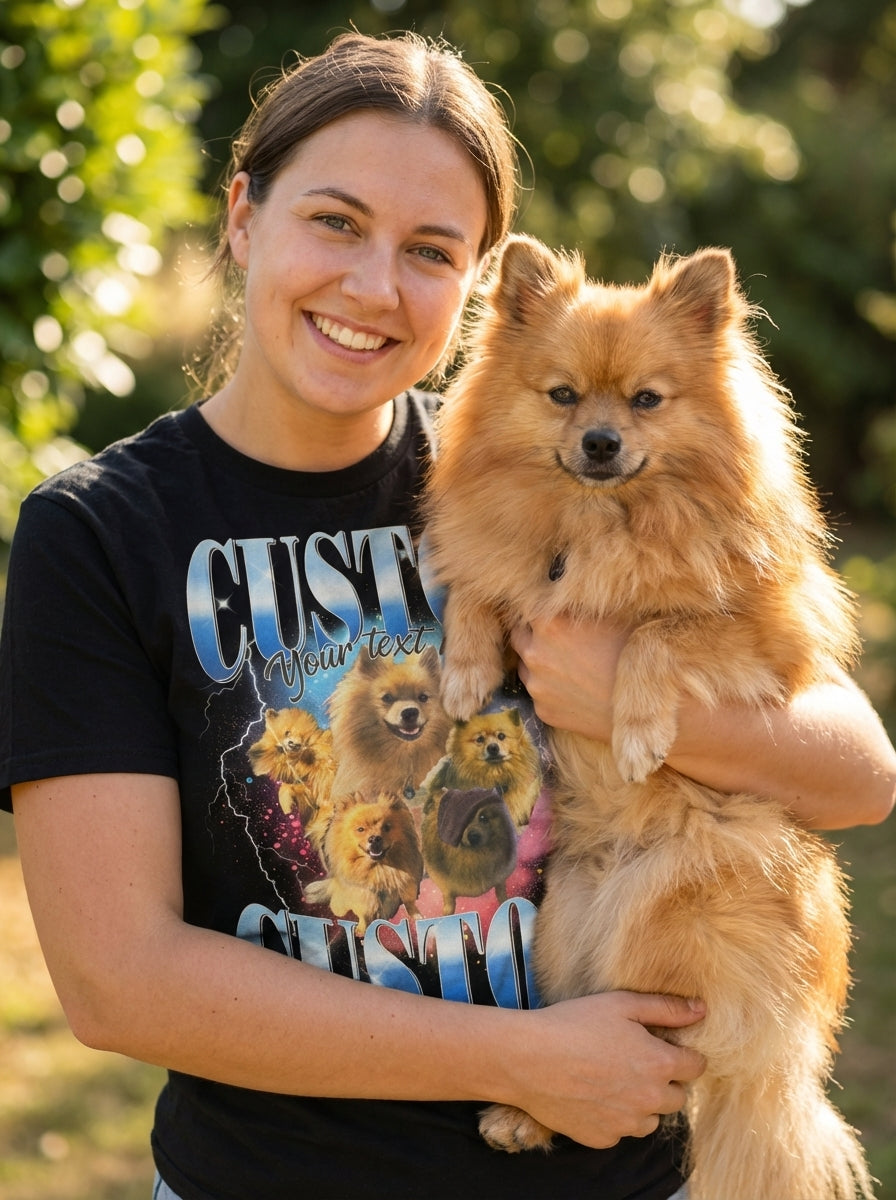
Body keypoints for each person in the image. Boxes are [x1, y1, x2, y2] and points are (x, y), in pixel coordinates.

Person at [1, 30, 893, 1200]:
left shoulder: (514, 480)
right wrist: (519, 1061)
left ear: (476, 284)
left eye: (429, 249)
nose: (374, 286)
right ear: (242, 215)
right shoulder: (100, 533)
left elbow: (857, 773)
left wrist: (638, 696)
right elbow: (117, 984)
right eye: (334, 221)